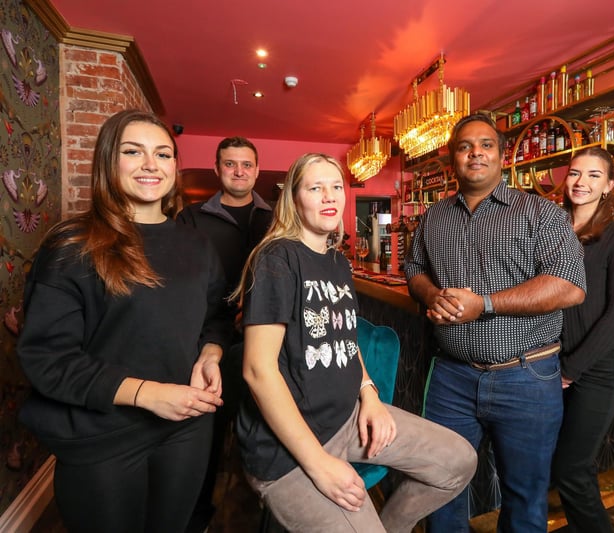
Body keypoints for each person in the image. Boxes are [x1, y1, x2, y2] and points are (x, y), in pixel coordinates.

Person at [233, 153, 477, 532]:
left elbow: (344, 337)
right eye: (315, 188)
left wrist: (370, 394)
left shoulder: (336, 262)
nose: (329, 196)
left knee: (459, 461)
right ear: (294, 199)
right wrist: (319, 464)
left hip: (346, 420)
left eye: (335, 186)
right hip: (288, 451)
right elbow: (257, 370)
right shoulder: (277, 258)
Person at [16, 109, 229, 533]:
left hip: (186, 426)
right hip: (102, 436)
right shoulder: (73, 244)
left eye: (163, 154)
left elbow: (217, 316)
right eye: (134, 152)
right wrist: (147, 394)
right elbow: (46, 358)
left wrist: (211, 353)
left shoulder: (197, 245)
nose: (152, 164)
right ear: (109, 161)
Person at [405, 113, 587, 532]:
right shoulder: (434, 217)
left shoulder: (540, 213)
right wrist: (431, 294)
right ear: (453, 158)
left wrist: (484, 304)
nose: (476, 153)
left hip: (526, 377)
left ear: (503, 156)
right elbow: (414, 269)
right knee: (440, 486)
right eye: (465, 146)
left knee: (524, 495)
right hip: (451, 377)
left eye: (486, 145)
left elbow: (570, 286)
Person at [176, 136, 273, 531]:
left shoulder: (276, 217)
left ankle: (263, 505)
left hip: (265, 334)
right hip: (208, 336)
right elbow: (180, 281)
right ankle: (198, 514)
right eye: (230, 164)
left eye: (246, 164)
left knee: (266, 418)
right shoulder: (191, 218)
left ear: (256, 170)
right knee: (206, 425)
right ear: (217, 169)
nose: (238, 171)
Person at [550, 147, 614, 532]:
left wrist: (571, 369)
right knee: (553, 461)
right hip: (548, 363)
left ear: (609, 186)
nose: (581, 182)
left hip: (595, 368)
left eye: (593, 175)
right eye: (574, 173)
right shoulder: (550, 228)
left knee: (572, 468)